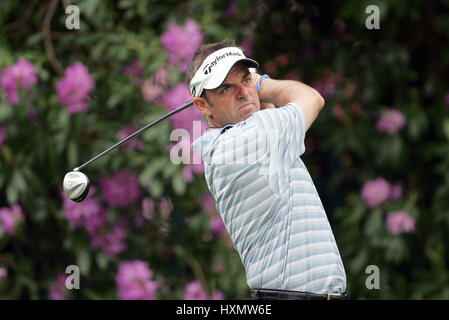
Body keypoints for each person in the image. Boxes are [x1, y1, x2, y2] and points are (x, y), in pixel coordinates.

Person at [188, 39, 348, 300]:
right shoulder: (241, 143)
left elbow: (267, 110)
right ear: (203, 105)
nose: (242, 92)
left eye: (245, 80)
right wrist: (261, 83)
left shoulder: (250, 138)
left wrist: (251, 91)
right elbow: (312, 98)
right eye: (226, 88)